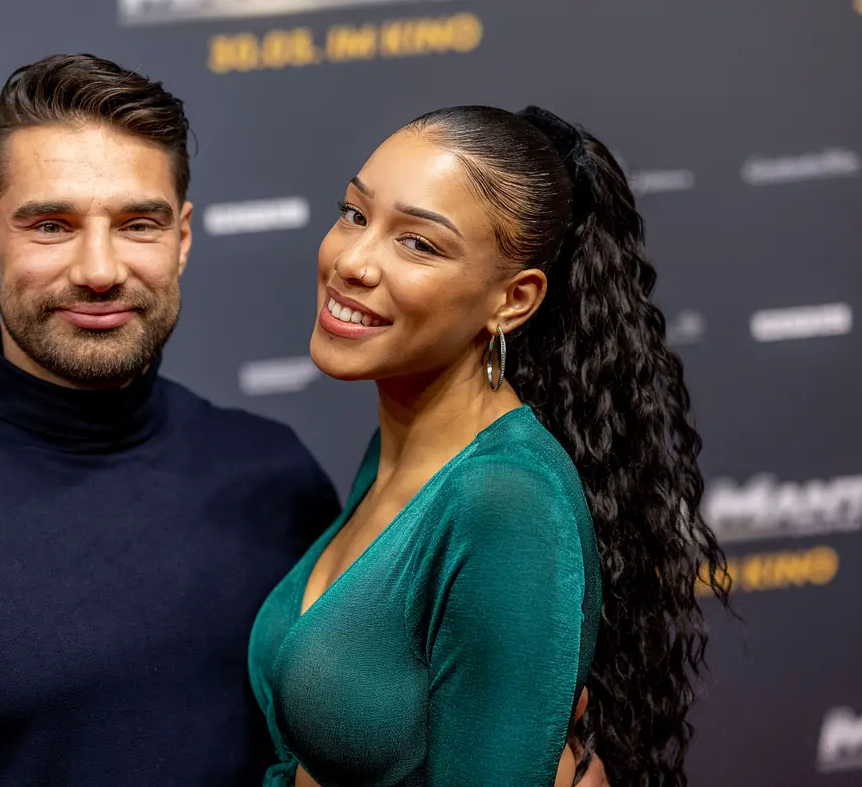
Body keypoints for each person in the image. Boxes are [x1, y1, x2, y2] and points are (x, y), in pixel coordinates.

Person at [0, 54, 610, 785]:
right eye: (51, 225)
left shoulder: (274, 474)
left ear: (181, 236)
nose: (99, 269)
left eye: (137, 223)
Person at [248, 105, 731, 786]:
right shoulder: (397, 452)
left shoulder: (505, 501)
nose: (351, 261)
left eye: (419, 243)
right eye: (355, 214)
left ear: (513, 300)